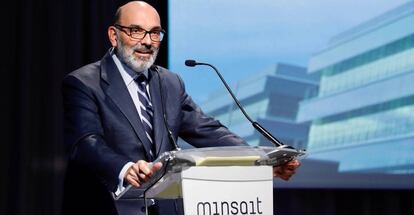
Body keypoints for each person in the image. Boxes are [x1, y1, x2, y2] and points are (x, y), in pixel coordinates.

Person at [61, 1, 300, 215]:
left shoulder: (169, 82)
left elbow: (208, 131)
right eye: (136, 31)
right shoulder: (84, 82)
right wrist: (125, 168)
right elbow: (86, 142)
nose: (146, 41)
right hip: (106, 207)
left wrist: (259, 161)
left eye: (155, 33)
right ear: (114, 36)